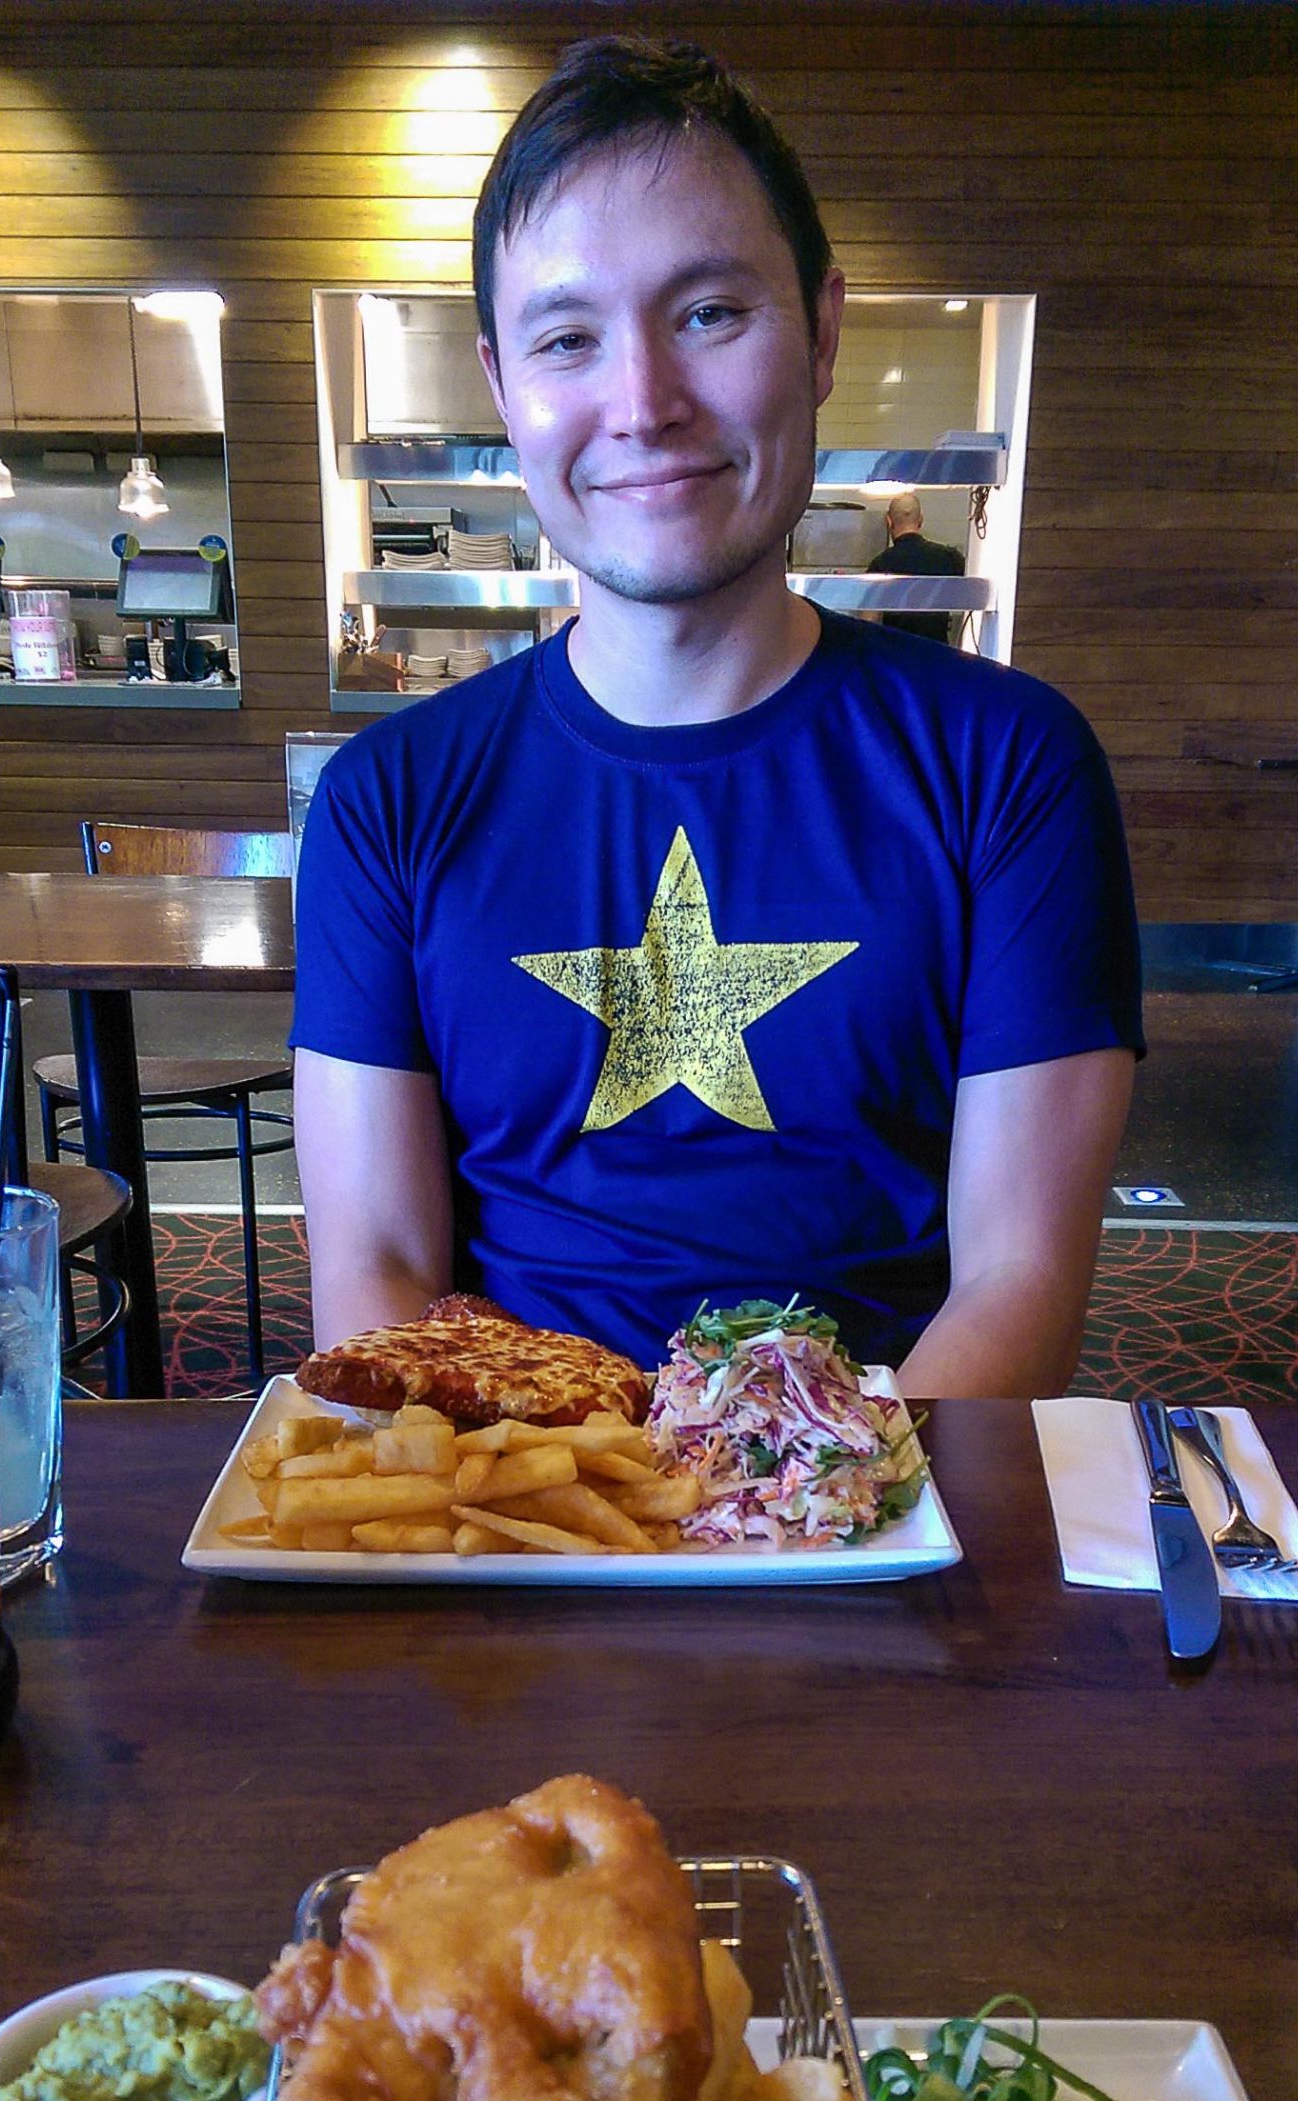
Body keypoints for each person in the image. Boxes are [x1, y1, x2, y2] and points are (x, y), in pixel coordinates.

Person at [292, 36, 1141, 1397]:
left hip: (884, 1484)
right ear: (504, 388)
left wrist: (789, 1494)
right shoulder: (384, 802)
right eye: (568, 339)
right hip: (514, 1485)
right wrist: (584, 1491)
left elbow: (1019, 1279)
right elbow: (379, 1267)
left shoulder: (1008, 766)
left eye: (707, 314)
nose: (643, 405)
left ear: (822, 330)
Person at [869, 491, 965, 646]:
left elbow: (868, 621)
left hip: (896, 652)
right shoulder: (950, 557)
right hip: (937, 652)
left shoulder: (881, 563)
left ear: (889, 521)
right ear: (921, 519)